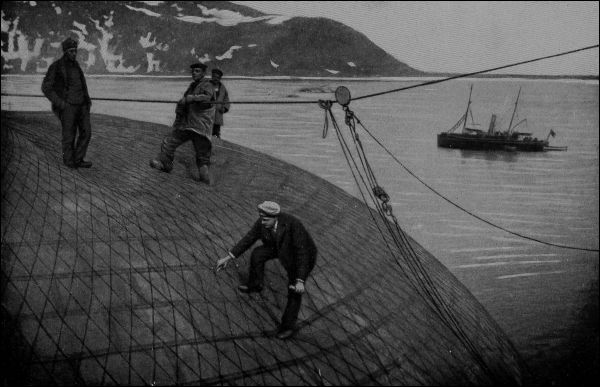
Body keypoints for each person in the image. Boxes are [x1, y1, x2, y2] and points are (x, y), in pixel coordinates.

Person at [215, 201, 318, 340]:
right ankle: (256, 284)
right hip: (278, 246)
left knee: (294, 291)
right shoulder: (263, 222)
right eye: (261, 218)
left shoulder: (293, 225)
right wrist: (227, 258)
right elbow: (248, 239)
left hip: (299, 257)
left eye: (265, 219)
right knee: (258, 254)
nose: (262, 222)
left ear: (275, 217)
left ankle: (288, 327)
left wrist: (300, 280)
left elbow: (302, 254)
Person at [149, 63, 216, 184]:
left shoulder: (208, 85)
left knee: (202, 158)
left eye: (197, 71)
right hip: (187, 125)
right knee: (169, 142)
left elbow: (208, 99)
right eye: (193, 71)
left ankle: (206, 185)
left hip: (201, 128)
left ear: (203, 73)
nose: (194, 73)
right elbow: (184, 104)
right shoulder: (192, 86)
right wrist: (181, 107)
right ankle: (166, 164)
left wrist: (192, 98)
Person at [41, 36, 93, 169]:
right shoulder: (56, 66)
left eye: (75, 51)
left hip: (82, 106)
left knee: (86, 132)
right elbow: (46, 87)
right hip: (68, 106)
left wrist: (87, 102)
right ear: (65, 52)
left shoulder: (76, 66)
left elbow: (81, 85)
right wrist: (60, 104)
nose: (74, 54)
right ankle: (69, 162)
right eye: (71, 51)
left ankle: (78, 159)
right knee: (69, 135)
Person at [210, 68, 230, 139]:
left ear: (220, 78)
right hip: (207, 114)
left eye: (217, 77)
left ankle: (217, 145)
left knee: (216, 133)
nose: (216, 79)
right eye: (214, 77)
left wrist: (224, 108)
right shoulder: (206, 85)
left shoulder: (222, 88)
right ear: (212, 76)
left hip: (218, 114)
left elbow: (226, 99)